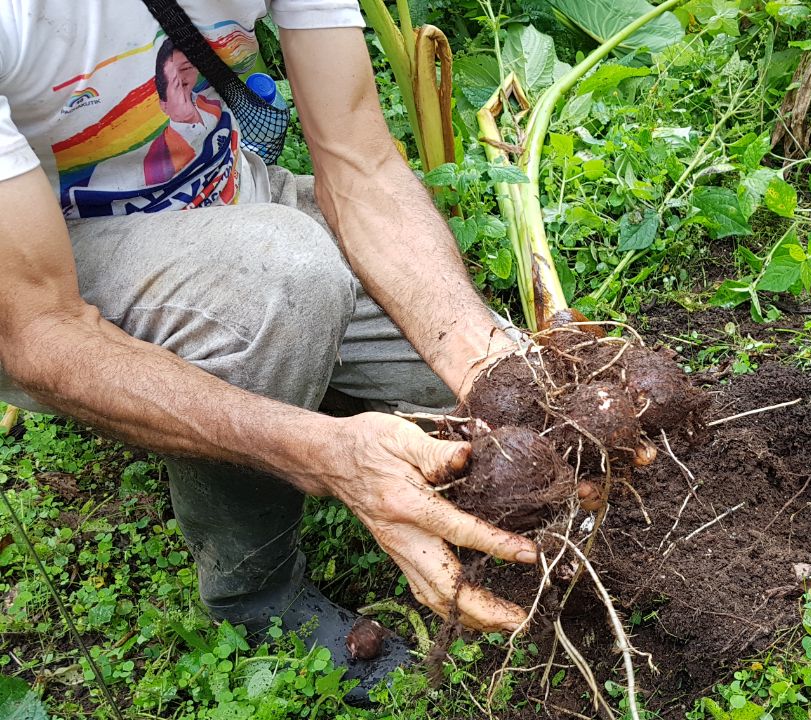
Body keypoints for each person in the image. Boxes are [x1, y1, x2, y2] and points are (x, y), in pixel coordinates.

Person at [0, 0, 548, 702]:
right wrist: (321, 454)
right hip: (50, 272)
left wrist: (488, 361)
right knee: (286, 280)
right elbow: (39, 331)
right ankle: (253, 591)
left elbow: (360, 160)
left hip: (240, 206)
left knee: (512, 401)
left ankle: (306, 366)